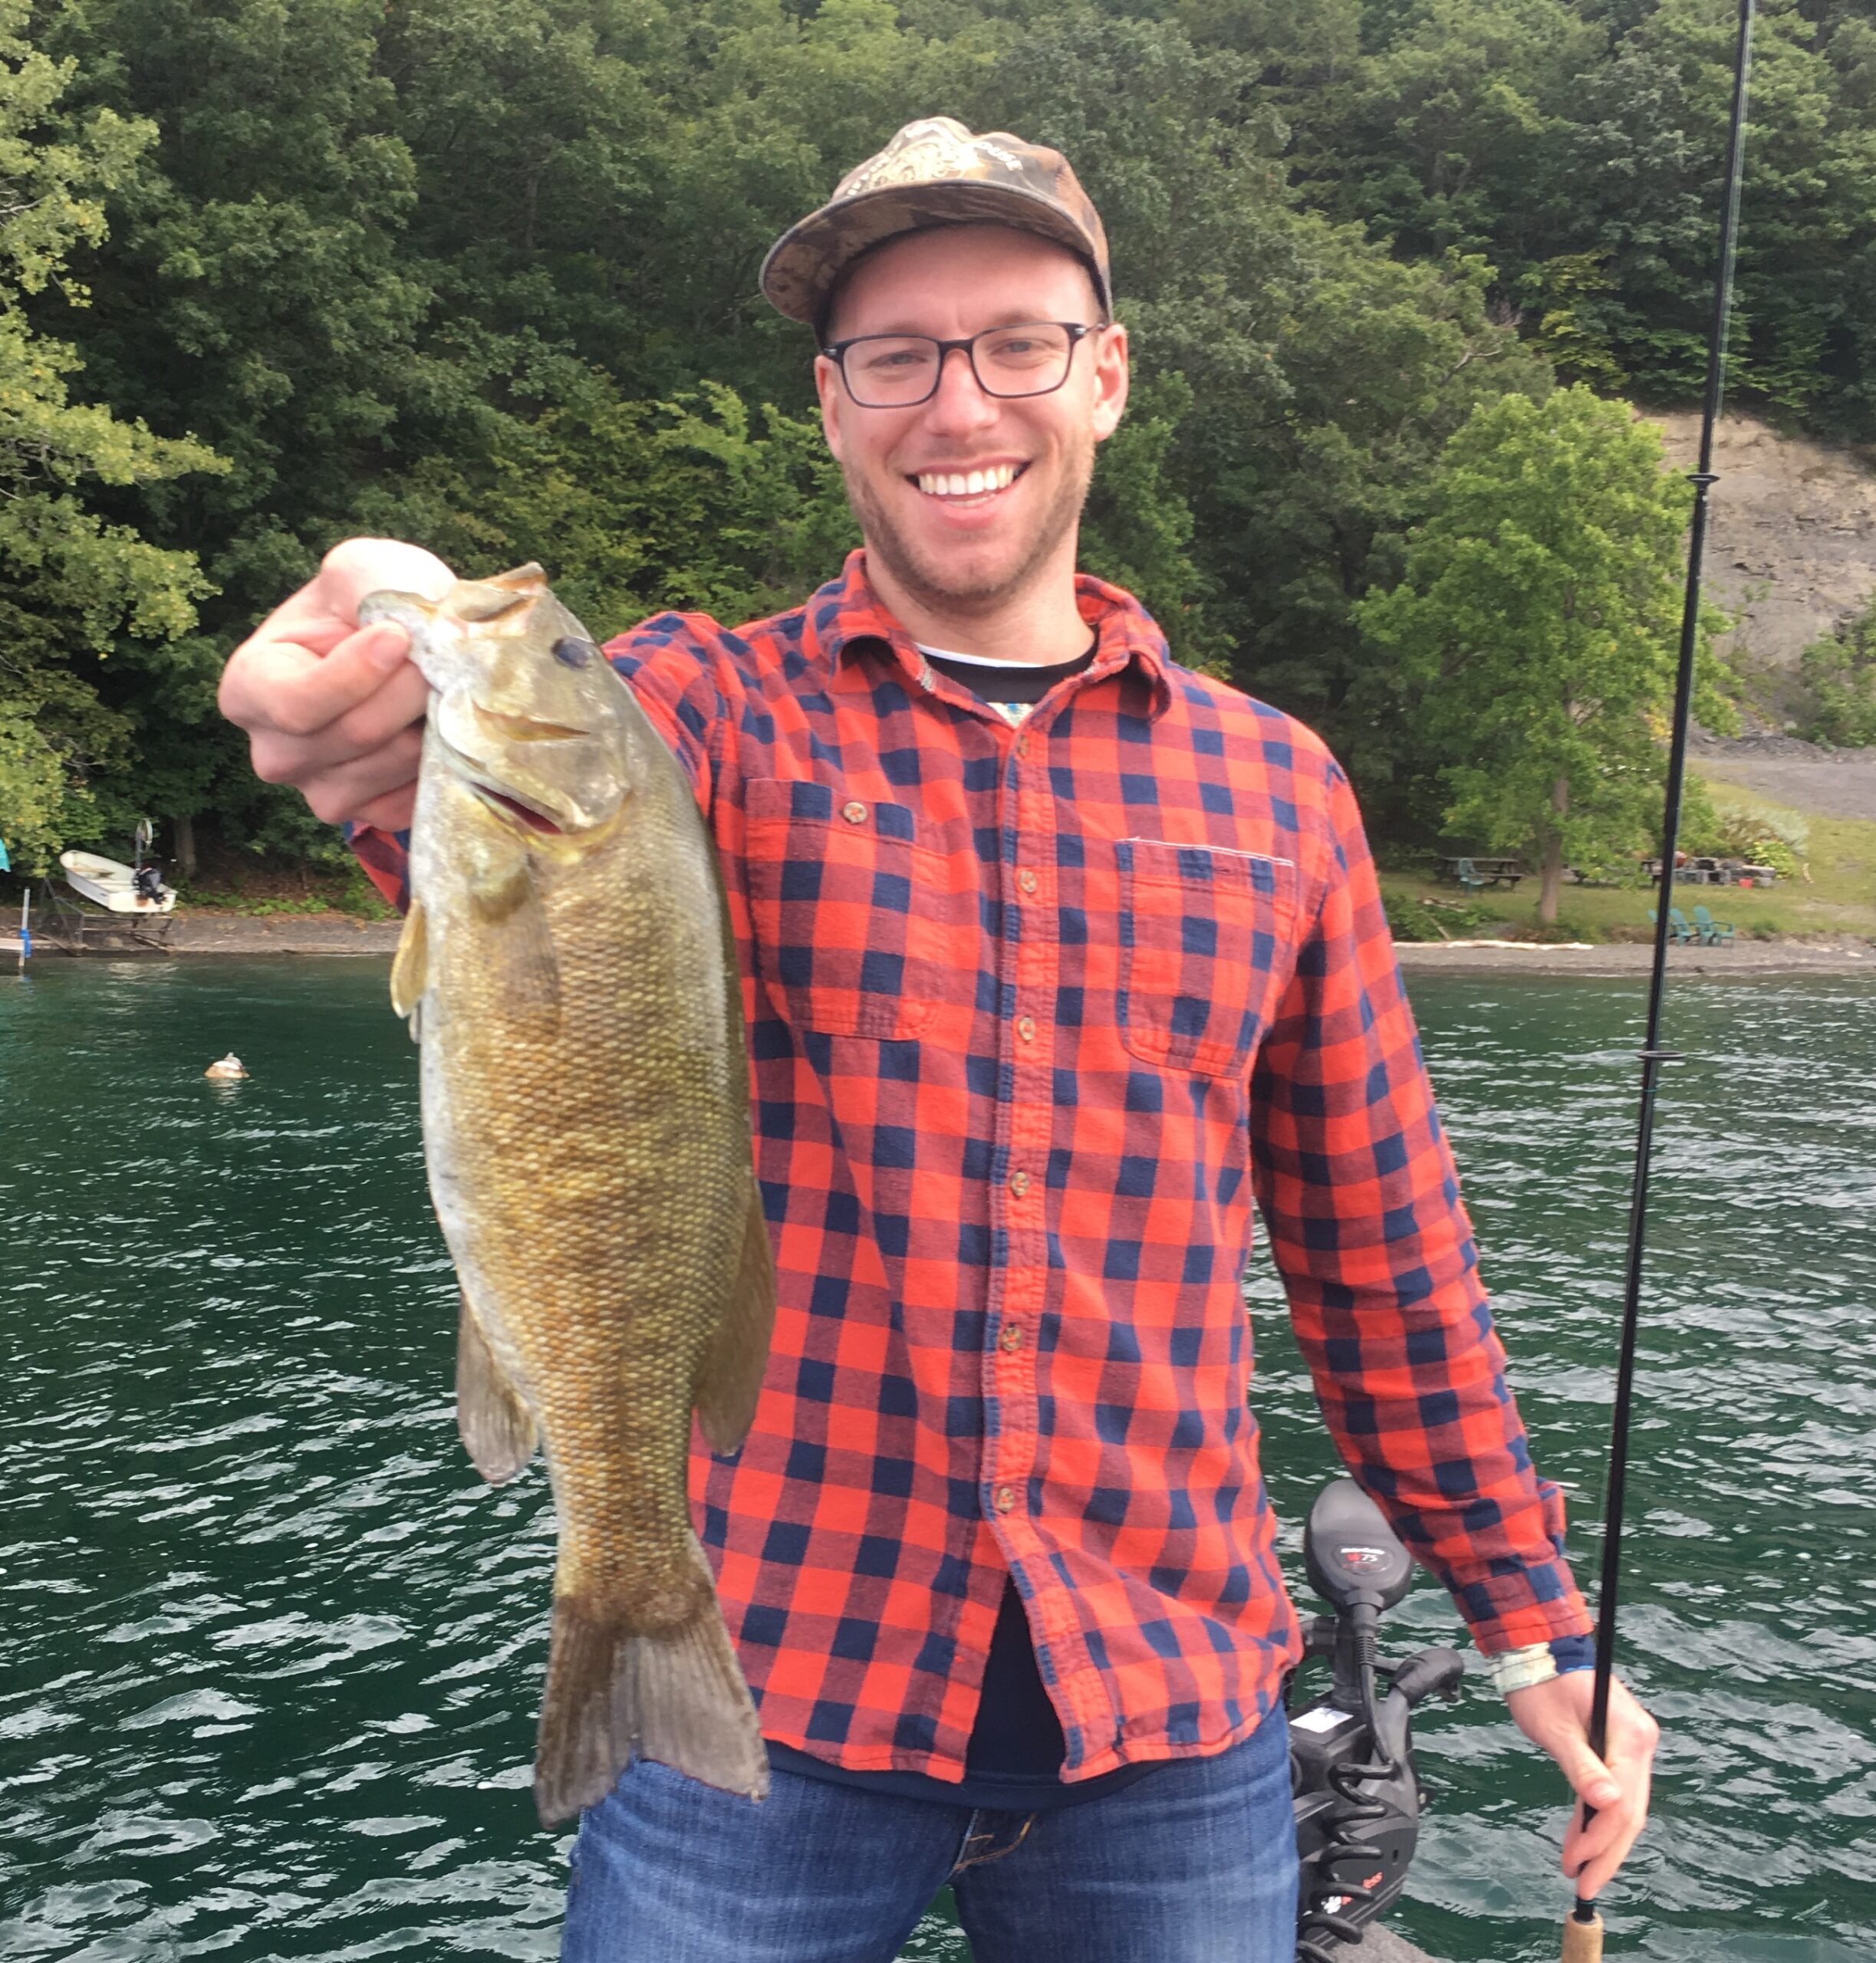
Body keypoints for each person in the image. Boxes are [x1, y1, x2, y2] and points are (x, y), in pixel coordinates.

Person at [220, 117, 1658, 1963]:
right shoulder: (687, 715)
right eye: (892, 355)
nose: (953, 399)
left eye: (1013, 342)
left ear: (1105, 374)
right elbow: (503, 850)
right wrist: (357, 657)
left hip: (1172, 1713)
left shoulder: (1278, 789)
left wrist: (1531, 1619)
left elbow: (1383, 1256)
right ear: (831, 404)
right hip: (768, 1691)